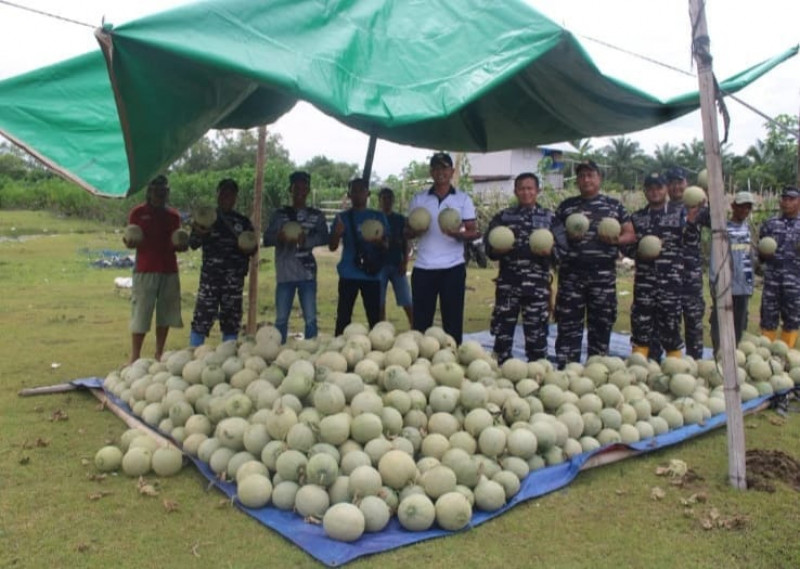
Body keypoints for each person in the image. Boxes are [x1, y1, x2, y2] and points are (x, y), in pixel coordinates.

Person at [553, 159, 635, 368]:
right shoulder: (566, 207)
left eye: (590, 175)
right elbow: (553, 235)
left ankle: (597, 373)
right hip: (571, 277)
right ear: (577, 181)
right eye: (581, 176)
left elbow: (630, 234)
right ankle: (566, 370)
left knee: (601, 326)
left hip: (602, 278)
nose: (586, 179)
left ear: (599, 178)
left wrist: (616, 241)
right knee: (568, 327)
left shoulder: (613, 206)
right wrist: (567, 238)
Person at [406, 152, 479, 345]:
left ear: (452, 171)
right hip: (423, 268)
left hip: (453, 269)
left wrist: (458, 235)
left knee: (453, 322)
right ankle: (420, 362)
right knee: (421, 322)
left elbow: (473, 232)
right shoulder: (419, 199)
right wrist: (415, 231)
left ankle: (454, 360)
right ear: (431, 172)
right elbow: (406, 232)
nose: (441, 172)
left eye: (445, 168)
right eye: (436, 168)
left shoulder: (463, 199)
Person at [629, 173, 700, 359]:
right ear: (645, 191)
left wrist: (692, 222)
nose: (654, 192)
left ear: (666, 189)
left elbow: (691, 242)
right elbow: (627, 248)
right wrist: (641, 249)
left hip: (670, 284)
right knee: (641, 329)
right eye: (650, 188)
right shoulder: (637, 218)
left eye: (658, 188)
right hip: (644, 284)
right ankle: (642, 371)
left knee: (670, 329)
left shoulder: (680, 214)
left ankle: (674, 370)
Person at [485, 172, 554, 363]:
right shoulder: (503, 218)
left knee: (537, 336)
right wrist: (498, 250)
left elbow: (562, 249)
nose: (526, 192)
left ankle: (538, 372)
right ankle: (501, 372)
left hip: (537, 287)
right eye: (521, 188)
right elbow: (488, 248)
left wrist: (549, 251)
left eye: (530, 188)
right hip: (508, 285)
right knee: (503, 334)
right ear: (515, 191)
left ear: (537, 191)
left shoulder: (549, 217)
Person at [123, 175, 186, 363]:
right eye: (156, 191)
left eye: (163, 191)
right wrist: (129, 242)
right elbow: (130, 238)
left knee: (165, 314)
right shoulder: (137, 213)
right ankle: (135, 356)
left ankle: (159, 353)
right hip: (145, 269)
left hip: (168, 269)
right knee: (141, 313)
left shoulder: (174, 216)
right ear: (149, 192)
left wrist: (182, 244)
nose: (159, 195)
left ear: (167, 193)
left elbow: (177, 242)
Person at [263, 171, 330, 343]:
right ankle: (277, 353)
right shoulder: (279, 214)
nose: (300, 191)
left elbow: (325, 237)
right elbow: (267, 238)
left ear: (308, 190)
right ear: (290, 190)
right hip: (285, 273)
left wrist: (307, 240)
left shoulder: (316, 215)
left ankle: (311, 353)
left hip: (307, 274)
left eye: (303, 187)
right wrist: (279, 237)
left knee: (310, 319)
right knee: (281, 319)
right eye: (296, 187)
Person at [188, 178, 255, 347]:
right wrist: (200, 233)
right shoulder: (207, 217)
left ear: (235, 197)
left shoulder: (243, 222)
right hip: (210, 279)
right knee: (201, 318)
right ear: (217, 195)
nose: (227, 197)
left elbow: (253, 248)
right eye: (223, 192)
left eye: (231, 193)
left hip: (233, 281)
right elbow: (193, 244)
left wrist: (248, 248)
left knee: (231, 321)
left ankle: (228, 355)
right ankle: (193, 355)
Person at [329, 177, 390, 336]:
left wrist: (378, 242)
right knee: (343, 317)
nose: (357, 194)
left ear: (368, 193)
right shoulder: (341, 217)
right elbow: (332, 246)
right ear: (349, 194)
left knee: (375, 319)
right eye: (353, 191)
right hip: (348, 273)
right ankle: (337, 355)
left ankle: (377, 352)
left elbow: (387, 246)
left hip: (372, 275)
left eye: (361, 190)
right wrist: (337, 234)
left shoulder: (378, 217)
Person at [664, 166, 710, 359]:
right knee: (670, 324)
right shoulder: (661, 209)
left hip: (691, 276)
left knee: (694, 323)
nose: (676, 187)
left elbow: (717, 223)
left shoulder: (697, 207)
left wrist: (711, 199)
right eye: (672, 183)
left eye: (680, 182)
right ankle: (673, 364)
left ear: (686, 183)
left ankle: (696, 361)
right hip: (668, 277)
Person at [709, 191, 756, 352]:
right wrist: (715, 282)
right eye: (741, 206)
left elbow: (751, 257)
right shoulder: (723, 229)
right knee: (720, 326)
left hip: (743, 287)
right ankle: (719, 357)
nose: (744, 210)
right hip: (725, 286)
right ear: (733, 206)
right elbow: (716, 259)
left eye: (748, 207)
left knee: (738, 327)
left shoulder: (749, 230)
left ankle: (734, 360)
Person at [758, 185, 800, 348]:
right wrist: (763, 255)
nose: (787, 202)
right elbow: (760, 254)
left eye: (792, 199)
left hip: (795, 284)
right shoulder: (770, 224)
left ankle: (786, 356)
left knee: (792, 320)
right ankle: (765, 356)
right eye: (784, 199)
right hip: (772, 283)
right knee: (768, 319)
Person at [377, 187, 413, 327]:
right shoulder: (375, 218)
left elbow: (406, 241)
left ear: (393, 200)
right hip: (379, 265)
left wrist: (405, 262)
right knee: (379, 300)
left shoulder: (400, 219)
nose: (387, 201)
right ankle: (381, 328)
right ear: (379, 200)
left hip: (397, 263)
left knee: (406, 298)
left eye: (389, 198)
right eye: (384, 198)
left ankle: (414, 325)